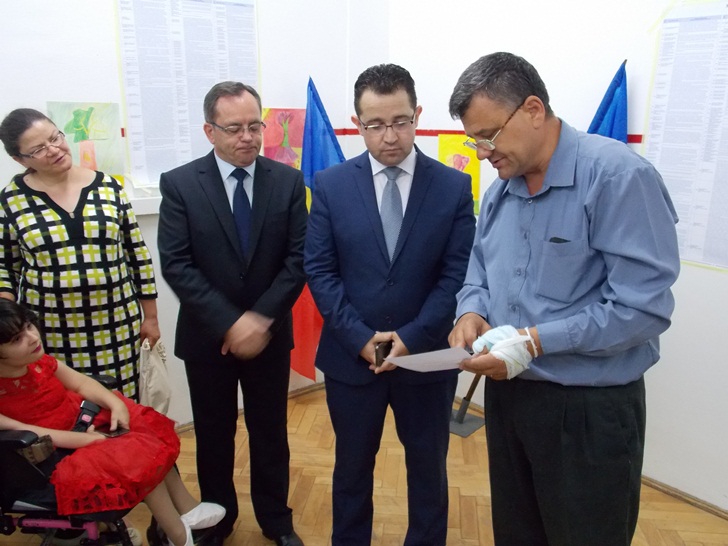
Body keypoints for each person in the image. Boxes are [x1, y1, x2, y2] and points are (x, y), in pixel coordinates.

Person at [447, 52, 680, 546]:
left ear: (533, 110)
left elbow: (642, 309)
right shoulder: (502, 188)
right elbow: (480, 267)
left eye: (488, 136)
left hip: (587, 411)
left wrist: (534, 341)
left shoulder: (617, 177)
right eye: (474, 140)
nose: (483, 153)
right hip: (509, 396)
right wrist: (471, 309)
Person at [304, 64, 476, 546]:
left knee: (428, 470)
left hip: (427, 358)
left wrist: (411, 337)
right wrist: (362, 339)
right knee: (351, 469)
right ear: (357, 124)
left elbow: (457, 275)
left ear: (417, 114)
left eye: (400, 121)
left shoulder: (452, 187)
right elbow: (320, 271)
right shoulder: (331, 184)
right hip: (352, 358)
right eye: (375, 125)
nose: (390, 136)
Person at [157, 82, 307, 546]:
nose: (248, 136)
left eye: (255, 125)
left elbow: (298, 259)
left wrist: (259, 320)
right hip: (207, 340)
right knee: (214, 435)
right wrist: (230, 322)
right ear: (210, 131)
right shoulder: (181, 183)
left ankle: (276, 521)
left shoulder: (287, 181)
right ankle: (218, 520)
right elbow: (177, 264)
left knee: (270, 434)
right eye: (234, 128)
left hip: (269, 336)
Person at [0, 299, 226, 546]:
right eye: (17, 339)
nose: (33, 337)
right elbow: (30, 432)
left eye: (29, 326)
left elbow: (81, 383)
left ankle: (187, 508)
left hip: (79, 425)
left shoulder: (40, 362)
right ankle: (179, 536)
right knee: (134, 458)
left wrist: (115, 404)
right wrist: (86, 440)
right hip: (46, 457)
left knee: (145, 430)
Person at [0, 108, 160, 401]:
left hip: (116, 324)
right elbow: (5, 268)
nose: (54, 150)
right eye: (38, 149)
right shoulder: (11, 200)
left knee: (122, 403)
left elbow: (137, 254)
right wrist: (9, 328)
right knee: (64, 406)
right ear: (20, 159)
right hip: (51, 330)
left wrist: (150, 317)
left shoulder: (109, 187)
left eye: (55, 138)